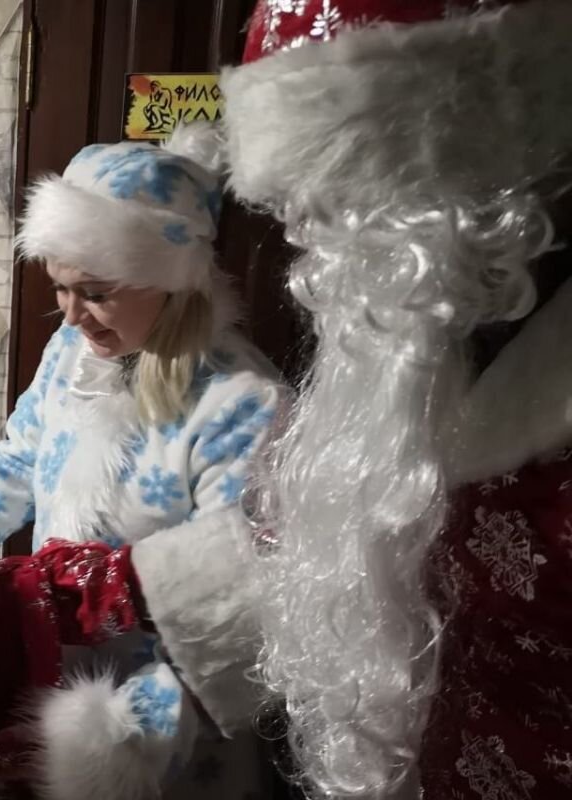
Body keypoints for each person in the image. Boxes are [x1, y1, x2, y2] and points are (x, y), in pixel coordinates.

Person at [217, 1, 572, 797]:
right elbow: (309, 547)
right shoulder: (403, 341)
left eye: (343, 189)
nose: (312, 232)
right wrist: (47, 598)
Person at [0, 125, 285, 800]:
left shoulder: (243, 403)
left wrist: (115, 746)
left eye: (95, 292)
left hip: (169, 739)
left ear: (171, 280)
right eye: (59, 288)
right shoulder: (71, 355)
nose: (71, 317)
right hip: (53, 677)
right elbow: (14, 465)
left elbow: (235, 611)